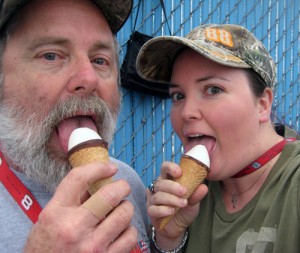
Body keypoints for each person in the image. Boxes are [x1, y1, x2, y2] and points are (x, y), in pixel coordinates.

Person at [0, 0, 151, 252]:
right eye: (51, 56)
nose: (88, 78)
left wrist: (168, 242)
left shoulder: (127, 182)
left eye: (100, 60)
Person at [136, 23, 300, 252]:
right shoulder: (187, 198)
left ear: (263, 104)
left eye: (213, 90)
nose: (186, 112)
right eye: (178, 96)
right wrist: (168, 239)